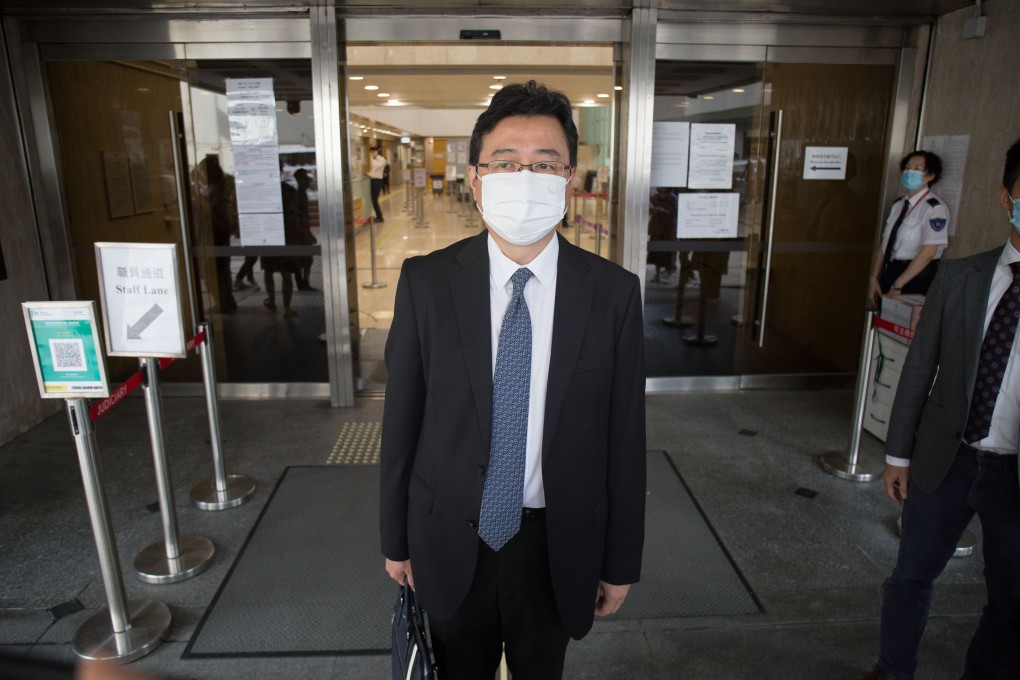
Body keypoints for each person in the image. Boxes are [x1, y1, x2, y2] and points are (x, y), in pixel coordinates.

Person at [379, 80, 646, 680]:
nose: (525, 176)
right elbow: (402, 421)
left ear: (568, 181)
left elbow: (625, 440)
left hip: (558, 544)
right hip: (449, 535)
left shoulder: (612, 294)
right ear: (476, 180)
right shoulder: (427, 282)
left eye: (544, 163)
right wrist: (395, 538)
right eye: (505, 162)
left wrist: (621, 559)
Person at [861, 139, 1020, 680]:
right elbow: (918, 372)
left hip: (1014, 474)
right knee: (910, 574)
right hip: (945, 458)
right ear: (1006, 197)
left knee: (1010, 599)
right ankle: (892, 666)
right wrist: (897, 454)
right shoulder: (962, 279)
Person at [867, 150, 950, 306]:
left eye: (917, 169)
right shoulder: (898, 204)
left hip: (914, 278)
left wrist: (898, 285)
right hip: (890, 272)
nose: (909, 172)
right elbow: (884, 245)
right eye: (907, 167)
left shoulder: (934, 208)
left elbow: (928, 252)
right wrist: (874, 278)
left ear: (930, 176)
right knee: (882, 324)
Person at [369, 146, 387, 222]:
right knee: (373, 199)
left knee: (374, 199)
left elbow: (376, 167)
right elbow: (372, 170)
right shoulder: (373, 159)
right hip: (372, 180)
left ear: (376, 152)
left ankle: (380, 217)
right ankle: (378, 215)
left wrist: (372, 158)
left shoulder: (382, 160)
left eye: (372, 152)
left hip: (378, 180)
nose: (371, 154)